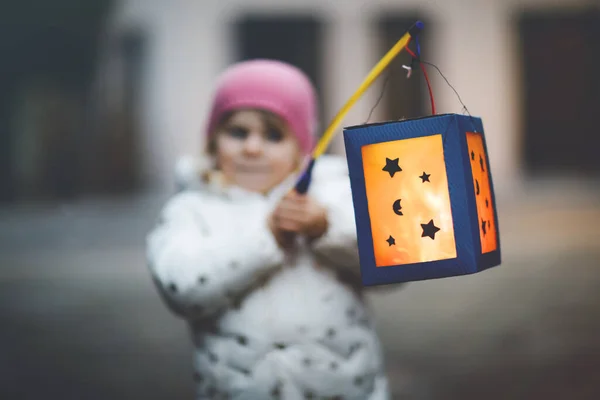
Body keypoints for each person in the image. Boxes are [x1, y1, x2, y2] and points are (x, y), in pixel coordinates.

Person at [146, 59, 390, 399]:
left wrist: (327, 229)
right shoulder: (192, 208)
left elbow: (392, 266)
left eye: (274, 134)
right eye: (237, 132)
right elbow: (181, 287)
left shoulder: (332, 196)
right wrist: (265, 239)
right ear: (213, 142)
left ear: (302, 149)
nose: (252, 147)